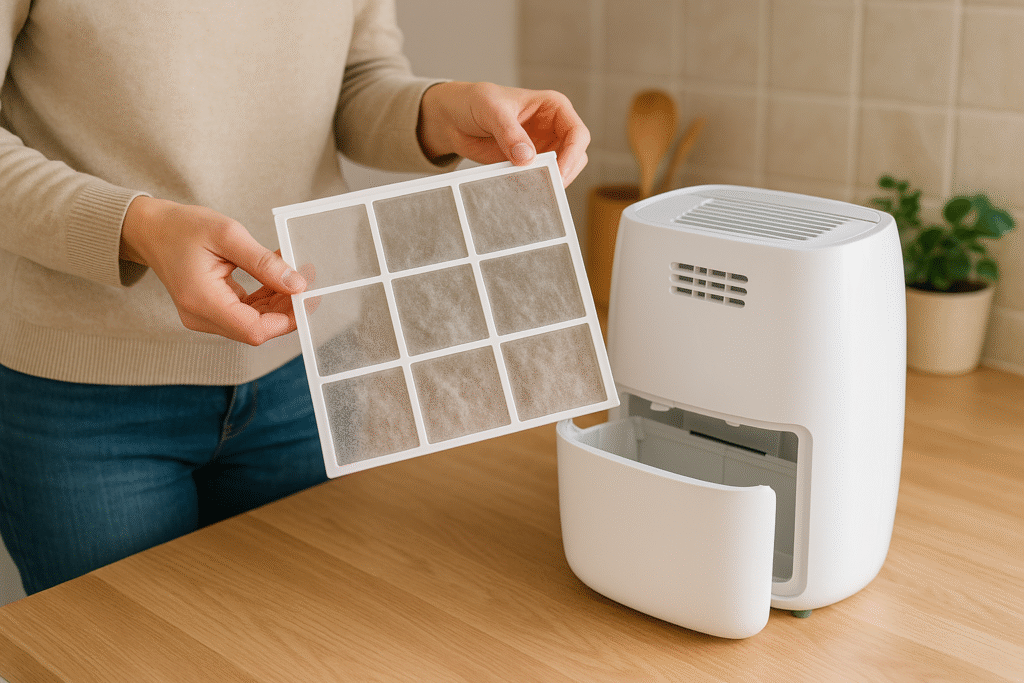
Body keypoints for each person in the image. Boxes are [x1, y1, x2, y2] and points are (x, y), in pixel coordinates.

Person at [0, 0, 590, 595]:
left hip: (308, 372)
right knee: (124, 645)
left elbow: (355, 78)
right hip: (83, 392)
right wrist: (139, 229)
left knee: (308, 630)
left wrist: (440, 112)